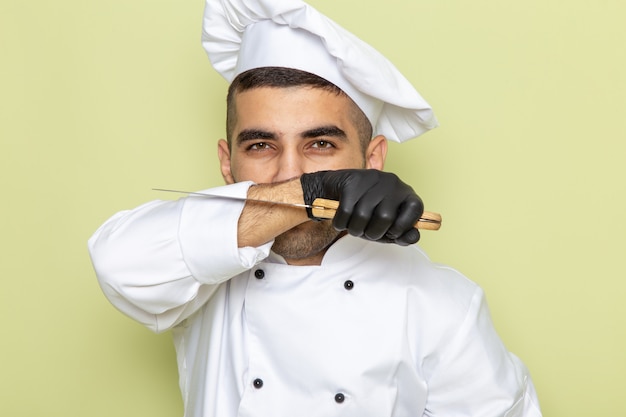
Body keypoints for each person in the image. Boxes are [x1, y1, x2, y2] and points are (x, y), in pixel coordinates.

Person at [88, 0, 542, 416]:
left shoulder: (441, 303)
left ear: (373, 161)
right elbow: (116, 262)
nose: (290, 169)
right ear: (228, 163)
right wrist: (311, 192)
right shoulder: (202, 275)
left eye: (321, 143)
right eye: (261, 144)